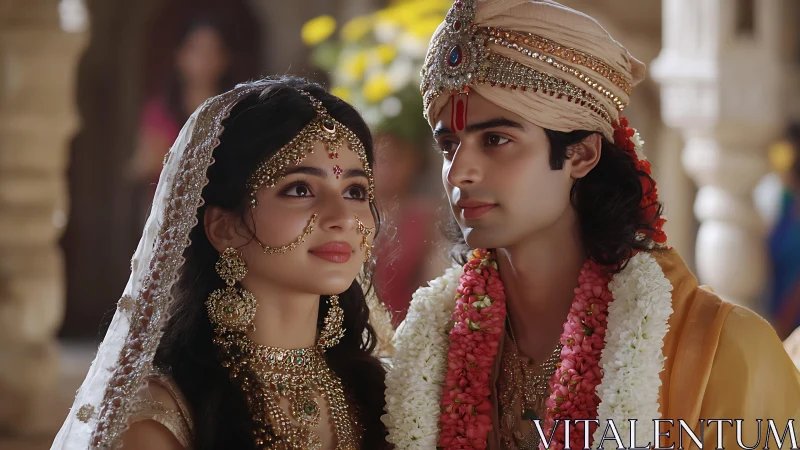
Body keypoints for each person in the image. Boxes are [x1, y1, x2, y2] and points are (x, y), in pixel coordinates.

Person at [382, 1, 800, 449]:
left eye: (496, 140)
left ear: (581, 155)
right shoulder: (426, 350)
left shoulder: (724, 353)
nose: (459, 171)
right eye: (448, 145)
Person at [52, 77, 392, 449]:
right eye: (300, 189)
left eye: (355, 191)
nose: (341, 217)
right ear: (224, 227)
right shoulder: (163, 413)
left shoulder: (377, 391)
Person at [131, 18, 233, 201]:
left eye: (212, 51)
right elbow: (142, 165)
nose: (204, 59)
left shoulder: (235, 110)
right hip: (170, 212)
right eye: (196, 50)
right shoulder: (160, 111)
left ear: (224, 59)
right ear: (181, 56)